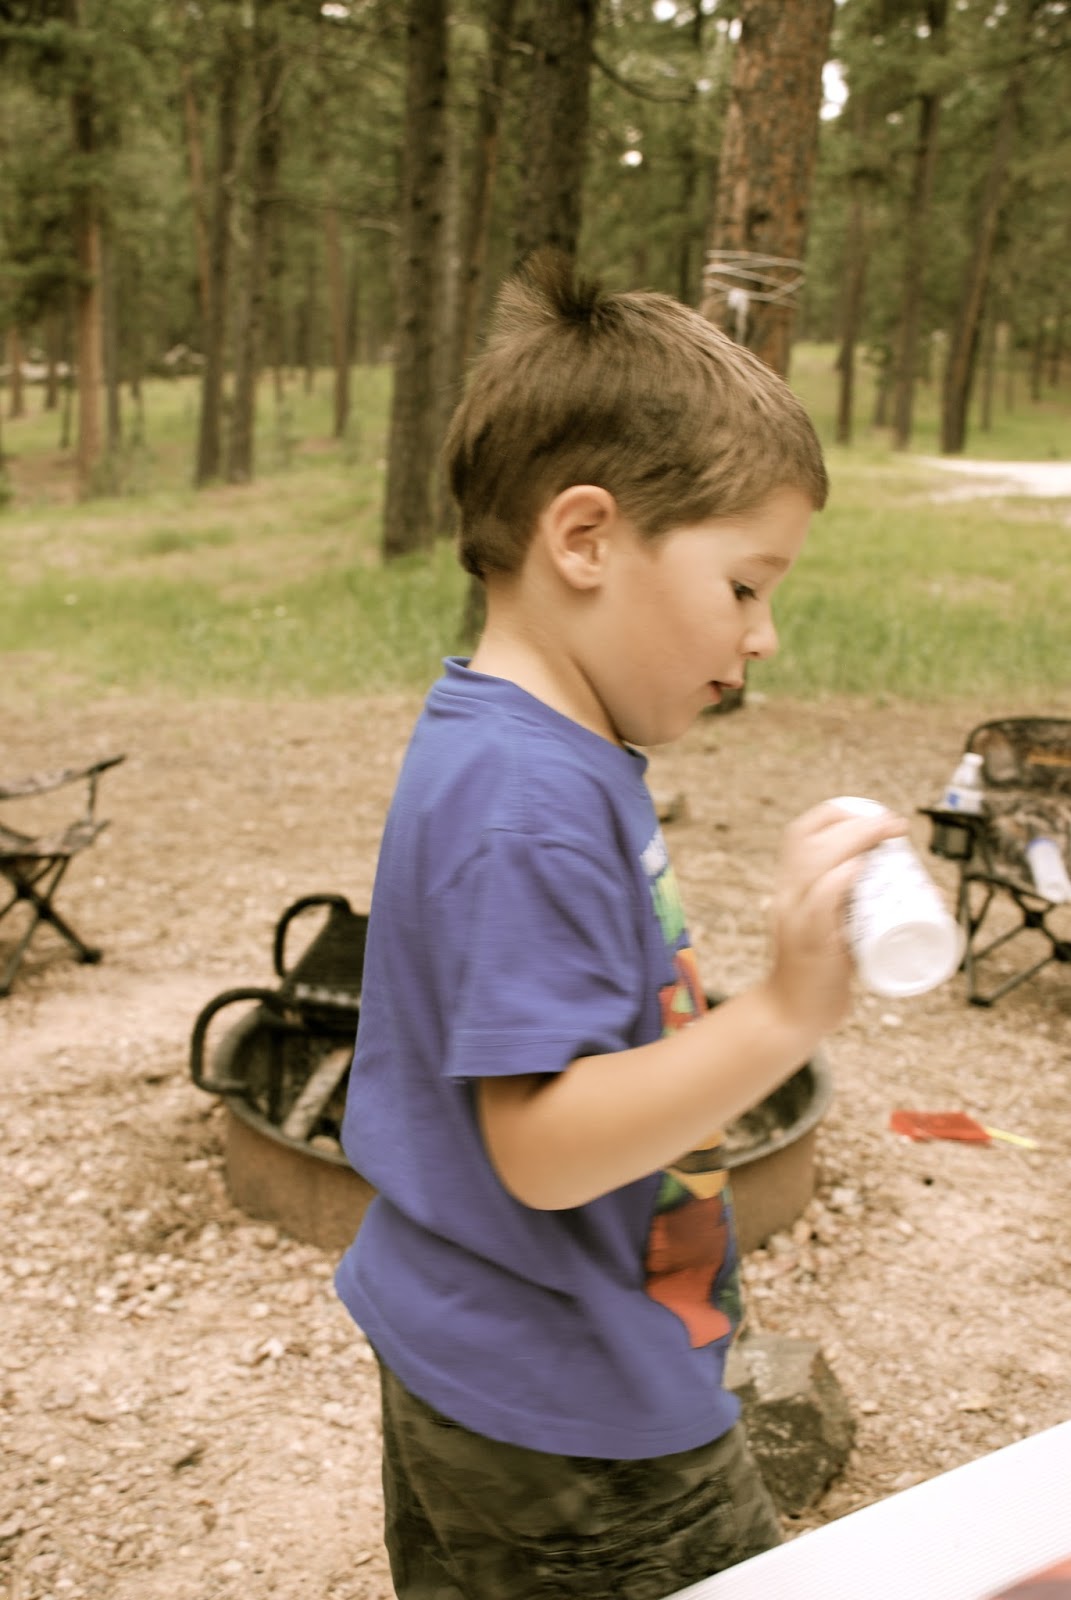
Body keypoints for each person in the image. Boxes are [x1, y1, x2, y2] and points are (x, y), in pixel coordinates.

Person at [334, 252, 903, 1599]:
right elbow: (541, 1148)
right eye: (745, 586)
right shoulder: (528, 798)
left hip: (481, 1361)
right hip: (576, 1417)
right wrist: (784, 1013)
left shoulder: (528, 749)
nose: (763, 636)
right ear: (583, 540)